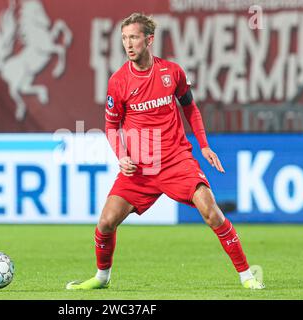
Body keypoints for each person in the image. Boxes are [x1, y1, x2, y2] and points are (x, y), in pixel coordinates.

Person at [66, 13, 264, 290]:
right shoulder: (119, 81)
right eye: (124, 38)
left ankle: (247, 276)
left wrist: (204, 145)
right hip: (140, 169)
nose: (128, 44)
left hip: (176, 161)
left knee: (211, 212)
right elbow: (111, 125)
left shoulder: (172, 72)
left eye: (133, 37)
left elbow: (190, 108)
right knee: (106, 222)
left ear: (149, 40)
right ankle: (102, 278)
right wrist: (121, 156)